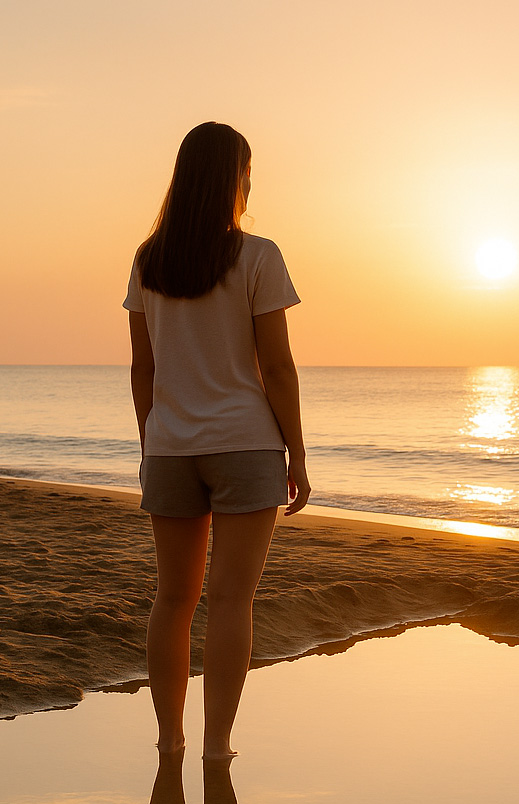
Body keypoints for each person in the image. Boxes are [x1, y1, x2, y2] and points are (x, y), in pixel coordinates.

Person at [123, 122, 310, 759]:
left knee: (173, 597)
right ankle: (216, 743)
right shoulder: (258, 255)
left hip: (172, 443)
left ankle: (169, 738)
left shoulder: (149, 260)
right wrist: (298, 453)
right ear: (237, 177)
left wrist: (155, 439)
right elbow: (277, 367)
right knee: (232, 599)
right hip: (246, 443)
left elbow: (142, 371)